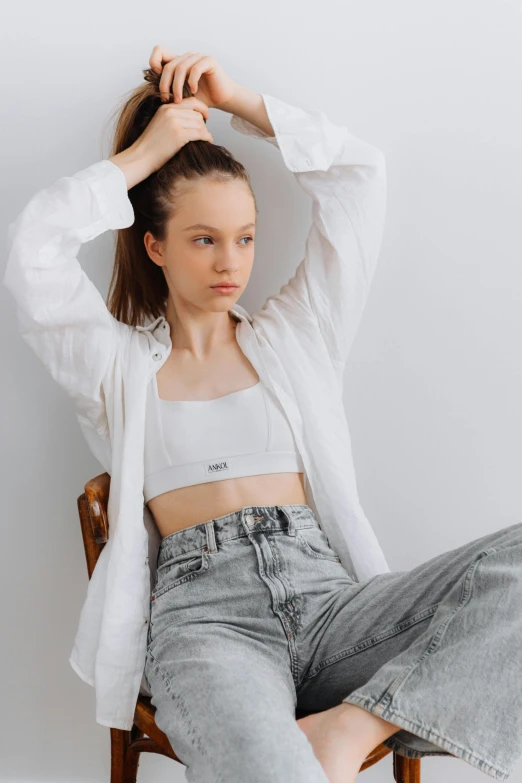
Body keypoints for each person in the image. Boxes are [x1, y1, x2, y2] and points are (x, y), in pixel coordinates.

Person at [4, 45, 522, 783]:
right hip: (207, 625)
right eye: (204, 239)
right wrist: (146, 153)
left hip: (330, 603)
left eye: (244, 238)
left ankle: (353, 723)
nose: (230, 262)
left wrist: (240, 101)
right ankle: (337, 736)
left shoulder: (297, 336)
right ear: (155, 245)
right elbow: (31, 249)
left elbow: (358, 174)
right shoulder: (114, 366)